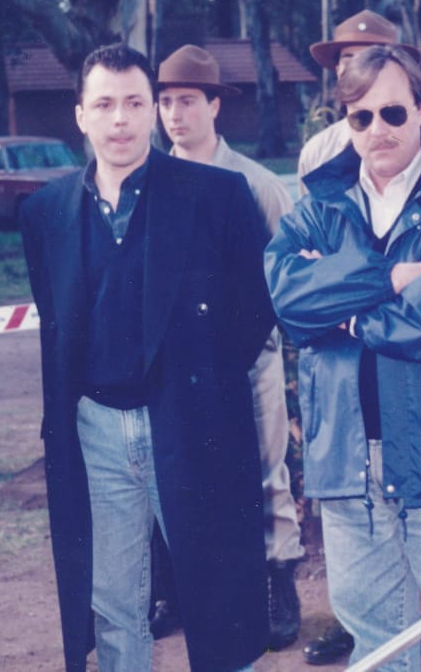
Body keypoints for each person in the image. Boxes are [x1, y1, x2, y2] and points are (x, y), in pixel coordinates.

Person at [20, 43, 274, 671]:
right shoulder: (46, 212)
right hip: (95, 431)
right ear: (81, 115)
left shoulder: (218, 194)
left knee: (217, 596)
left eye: (136, 103)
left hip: (193, 422)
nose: (121, 119)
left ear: (153, 111)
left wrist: (198, 385)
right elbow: (58, 326)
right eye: (105, 104)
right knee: (113, 602)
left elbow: (252, 313)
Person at [265, 45, 421, 672]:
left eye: (394, 112)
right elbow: (287, 298)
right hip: (346, 463)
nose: (379, 129)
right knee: (376, 648)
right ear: (346, 121)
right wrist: (390, 277)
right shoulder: (319, 202)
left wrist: (340, 309)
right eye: (362, 116)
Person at [155, 43, 303, 650]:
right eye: (166, 101)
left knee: (265, 470)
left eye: (188, 100)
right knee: (175, 474)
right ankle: (176, 589)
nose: (175, 114)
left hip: (248, 358)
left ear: (215, 105)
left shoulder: (256, 183)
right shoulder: (149, 181)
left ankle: (277, 582)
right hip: (175, 365)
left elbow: (287, 277)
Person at [297, 9, 421, 178]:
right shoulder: (317, 153)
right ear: (338, 69)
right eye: (349, 58)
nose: (359, 68)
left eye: (371, 58)